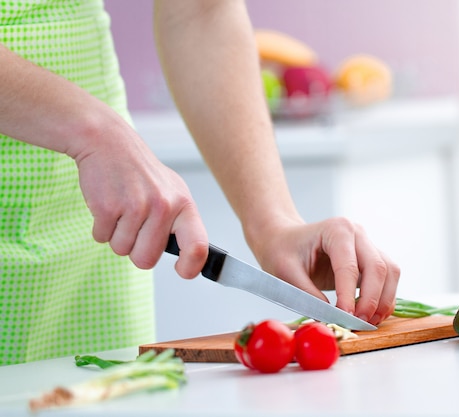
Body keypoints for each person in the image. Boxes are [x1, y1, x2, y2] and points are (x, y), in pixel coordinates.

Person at [0, 0, 400, 366]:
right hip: (96, 146)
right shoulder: (93, 134)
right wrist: (91, 132)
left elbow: (199, 11)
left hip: (94, 223)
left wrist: (274, 222)